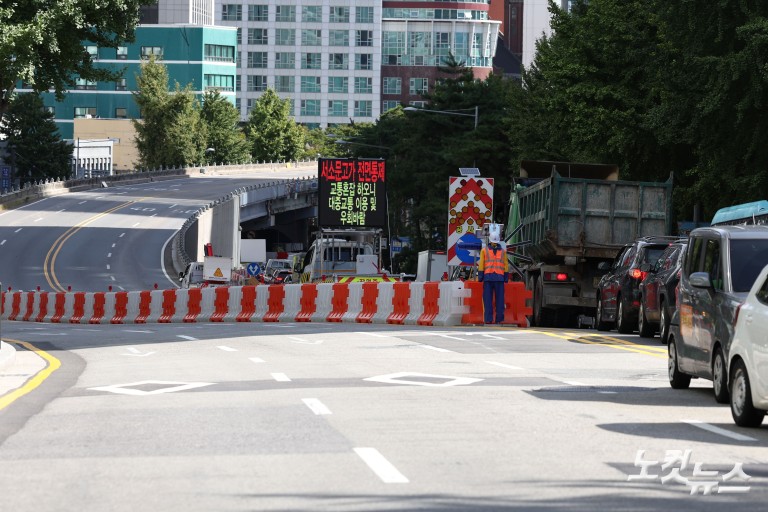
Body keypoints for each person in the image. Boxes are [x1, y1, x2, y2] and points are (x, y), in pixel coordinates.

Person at [478, 227, 509, 324]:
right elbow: (506, 265)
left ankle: (488, 319)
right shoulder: (503, 251)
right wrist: (506, 277)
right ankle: (499, 319)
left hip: (488, 278)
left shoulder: (484, 250)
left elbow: (481, 264)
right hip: (499, 278)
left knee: (488, 300)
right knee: (500, 300)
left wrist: (480, 276)